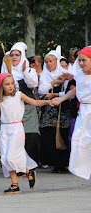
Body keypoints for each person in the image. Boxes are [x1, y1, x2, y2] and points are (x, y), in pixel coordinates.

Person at [0, 73, 51, 193]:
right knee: (5, 159)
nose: (10, 86)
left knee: (11, 156)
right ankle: (15, 184)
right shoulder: (0, 100)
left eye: (12, 83)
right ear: (1, 86)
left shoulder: (19, 95)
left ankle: (28, 171)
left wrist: (48, 102)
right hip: (4, 130)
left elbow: (35, 102)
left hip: (16, 128)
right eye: (7, 84)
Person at [0, 42, 41, 166]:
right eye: (12, 55)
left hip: (26, 108)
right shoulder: (4, 72)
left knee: (30, 135)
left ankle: (29, 165)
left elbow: (33, 84)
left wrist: (25, 71)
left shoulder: (30, 70)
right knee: (9, 138)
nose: (14, 57)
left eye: (17, 55)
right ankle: (12, 165)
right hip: (9, 110)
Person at [51, 46, 91, 179]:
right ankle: (80, 170)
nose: (81, 63)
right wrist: (61, 98)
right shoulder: (79, 75)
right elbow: (75, 91)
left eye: (84, 60)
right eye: (80, 60)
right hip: (83, 111)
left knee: (87, 140)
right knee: (77, 139)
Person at [38, 47, 72, 173]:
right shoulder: (44, 75)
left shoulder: (65, 73)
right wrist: (54, 82)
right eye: (46, 62)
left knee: (62, 134)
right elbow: (42, 90)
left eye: (51, 61)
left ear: (56, 62)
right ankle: (54, 162)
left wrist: (55, 95)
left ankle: (64, 163)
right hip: (49, 108)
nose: (48, 64)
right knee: (48, 133)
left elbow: (69, 92)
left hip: (62, 108)